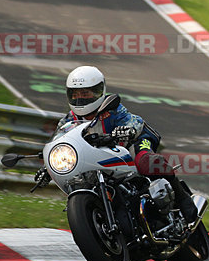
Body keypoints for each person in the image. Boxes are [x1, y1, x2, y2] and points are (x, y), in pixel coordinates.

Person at [37, 65, 198, 222]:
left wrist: (127, 130)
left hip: (129, 145)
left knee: (147, 163)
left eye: (85, 93)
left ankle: (182, 197)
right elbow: (60, 144)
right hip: (97, 156)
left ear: (98, 91)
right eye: (76, 94)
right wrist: (48, 168)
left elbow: (134, 121)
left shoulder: (111, 107)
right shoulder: (68, 120)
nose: (80, 98)